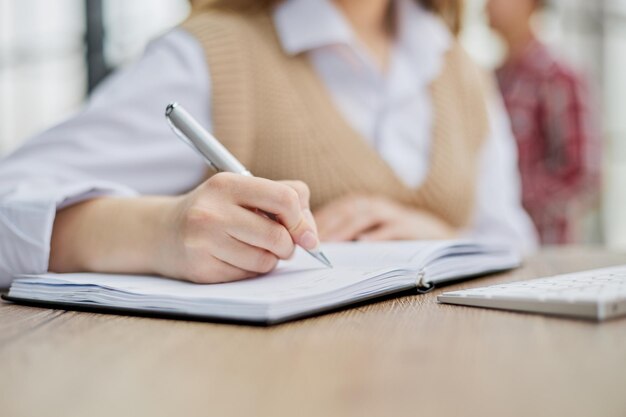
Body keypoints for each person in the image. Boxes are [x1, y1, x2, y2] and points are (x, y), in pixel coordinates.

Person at [0, 0, 537, 288]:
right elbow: (8, 207)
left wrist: (442, 237)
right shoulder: (213, 55)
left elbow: (516, 238)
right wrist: (158, 231)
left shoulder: (457, 66)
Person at [486, 0, 600, 244]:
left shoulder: (558, 77)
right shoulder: (490, 81)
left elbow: (583, 174)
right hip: (496, 249)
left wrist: (508, 196)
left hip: (547, 253)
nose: (487, 4)